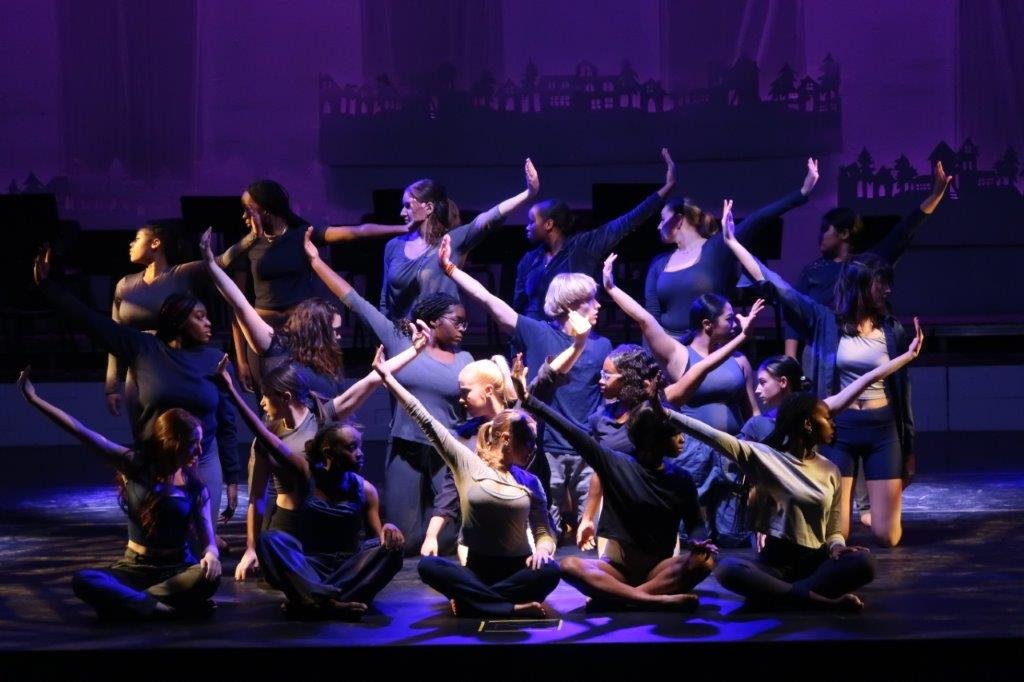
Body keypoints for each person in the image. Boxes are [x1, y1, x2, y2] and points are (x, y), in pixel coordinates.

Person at [724, 212, 921, 547]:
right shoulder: (825, 322)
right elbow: (778, 287)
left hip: (883, 429)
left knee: (887, 537)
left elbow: (904, 393)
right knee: (836, 536)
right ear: (862, 287)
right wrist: (733, 243)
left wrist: (909, 448)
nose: (888, 289)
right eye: (881, 283)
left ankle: (874, 512)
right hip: (838, 430)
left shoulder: (893, 330)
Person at [33, 247, 237, 528]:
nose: (209, 322)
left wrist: (232, 478)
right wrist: (47, 287)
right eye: (199, 317)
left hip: (202, 460)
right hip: (155, 461)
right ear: (178, 322)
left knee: (202, 545)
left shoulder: (216, 360)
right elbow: (92, 323)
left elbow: (226, 422)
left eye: (207, 316)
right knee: (159, 539)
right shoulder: (144, 349)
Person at [307, 230, 471, 555]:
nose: (465, 329)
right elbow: (354, 299)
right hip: (406, 448)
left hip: (446, 452)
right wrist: (315, 260)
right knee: (405, 541)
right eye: (458, 322)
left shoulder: (466, 360)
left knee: (449, 539)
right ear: (435, 322)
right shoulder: (399, 341)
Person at [440, 234, 611, 538]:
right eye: (590, 300)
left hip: (586, 448)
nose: (598, 306)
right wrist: (453, 270)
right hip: (545, 450)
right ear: (571, 305)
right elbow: (488, 300)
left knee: (592, 532)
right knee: (546, 531)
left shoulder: (602, 345)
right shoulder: (535, 332)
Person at [512, 356, 714, 612]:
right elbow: (570, 432)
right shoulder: (616, 464)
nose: (682, 438)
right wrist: (528, 399)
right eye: (674, 433)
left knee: (704, 561)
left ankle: (622, 598)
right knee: (568, 565)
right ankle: (652, 600)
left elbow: (696, 524)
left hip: (659, 569)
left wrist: (699, 540)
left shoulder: (681, 479)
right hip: (618, 569)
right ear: (654, 438)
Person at [18, 369, 220, 619]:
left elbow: (208, 539)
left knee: (208, 577)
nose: (199, 451)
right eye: (193, 443)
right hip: (132, 569)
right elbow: (82, 432)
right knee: (85, 580)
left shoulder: (194, 485)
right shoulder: (135, 465)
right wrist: (35, 400)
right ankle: (165, 608)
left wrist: (211, 554)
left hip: (176, 571)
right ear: (172, 442)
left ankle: (135, 604)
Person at [373, 351, 560, 619]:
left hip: (519, 568)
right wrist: (388, 378)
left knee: (552, 571)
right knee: (429, 567)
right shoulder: (468, 464)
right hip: (477, 568)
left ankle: (475, 601)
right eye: (528, 442)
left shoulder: (531, 482)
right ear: (506, 439)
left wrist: (543, 548)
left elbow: (543, 529)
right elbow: (426, 420)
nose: (533, 448)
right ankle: (507, 607)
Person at [218, 355, 404, 620]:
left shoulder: (366, 489)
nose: (361, 454)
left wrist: (389, 528)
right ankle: (332, 598)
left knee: (392, 550)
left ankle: (313, 599)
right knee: (270, 540)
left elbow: (377, 538)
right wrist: (232, 392)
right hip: (309, 560)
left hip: (347, 564)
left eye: (358, 447)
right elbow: (265, 438)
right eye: (352, 448)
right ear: (329, 452)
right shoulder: (306, 474)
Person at [667, 394, 877, 612]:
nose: (833, 423)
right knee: (728, 569)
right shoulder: (766, 457)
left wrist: (838, 547)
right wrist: (665, 412)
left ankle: (781, 595)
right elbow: (712, 436)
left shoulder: (831, 469)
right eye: (827, 418)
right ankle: (818, 601)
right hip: (775, 563)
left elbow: (833, 529)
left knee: (866, 563)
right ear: (807, 424)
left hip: (815, 562)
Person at [220, 179, 408, 391]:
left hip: (302, 332)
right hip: (263, 333)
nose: (244, 216)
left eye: (248, 209)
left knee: (307, 398)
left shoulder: (302, 234)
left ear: (265, 209)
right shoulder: (247, 245)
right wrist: (242, 361)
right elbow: (237, 305)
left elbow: (357, 231)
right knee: (271, 402)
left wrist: (403, 228)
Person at [644, 159, 819, 339]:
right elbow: (650, 317)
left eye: (662, 219)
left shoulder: (716, 248)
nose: (658, 226)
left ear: (679, 219)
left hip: (710, 346)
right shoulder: (658, 264)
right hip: (669, 349)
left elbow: (756, 220)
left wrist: (802, 193)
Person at [514, 149, 676, 319]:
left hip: (573, 337)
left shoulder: (583, 246)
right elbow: (518, 309)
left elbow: (628, 221)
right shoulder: (529, 260)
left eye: (532, 221)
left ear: (548, 224)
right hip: (537, 339)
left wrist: (666, 188)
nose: (527, 227)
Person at [381, 160, 539, 319]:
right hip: (403, 338)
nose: (402, 212)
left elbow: (489, 218)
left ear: (428, 208)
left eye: (408, 206)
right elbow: (385, 301)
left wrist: (528, 193)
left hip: (440, 337)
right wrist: (383, 336)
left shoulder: (451, 241)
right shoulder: (394, 247)